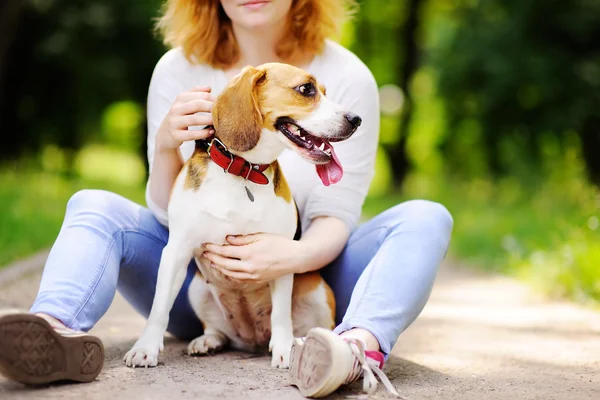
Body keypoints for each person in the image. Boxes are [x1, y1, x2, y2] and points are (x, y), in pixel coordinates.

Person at [0, 0, 453, 397]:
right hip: (199, 287)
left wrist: (290, 256)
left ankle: (353, 349)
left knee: (426, 217)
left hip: (313, 282)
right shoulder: (177, 69)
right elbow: (165, 214)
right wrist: (164, 146)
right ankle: (52, 331)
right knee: (92, 204)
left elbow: (336, 214)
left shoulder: (347, 76)